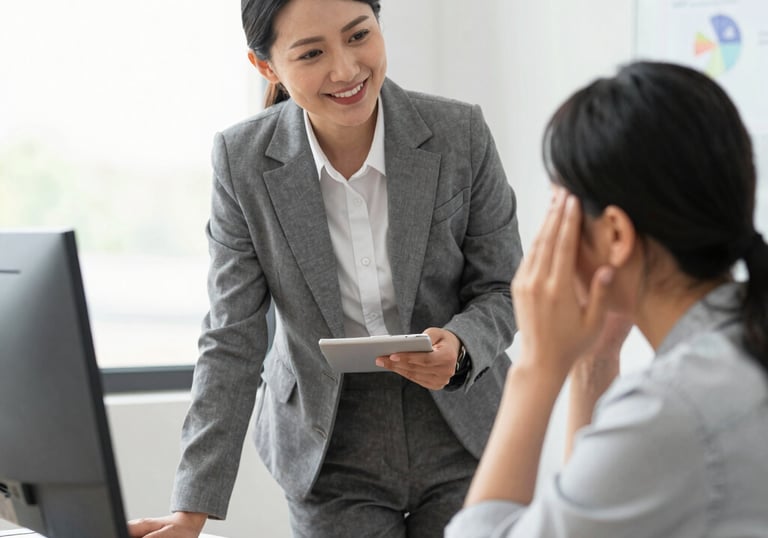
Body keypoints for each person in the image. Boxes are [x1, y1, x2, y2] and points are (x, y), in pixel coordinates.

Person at [128, 0, 522, 537]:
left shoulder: (459, 132)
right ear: (267, 67)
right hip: (328, 443)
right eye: (312, 52)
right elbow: (232, 337)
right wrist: (190, 510)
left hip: (462, 426)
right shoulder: (242, 161)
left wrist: (462, 344)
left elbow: (505, 288)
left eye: (359, 35)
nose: (345, 69)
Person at [446, 61, 768, 537]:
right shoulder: (736, 347)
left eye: (562, 210)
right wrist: (595, 360)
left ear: (615, 233)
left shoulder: (671, 408)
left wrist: (537, 367)